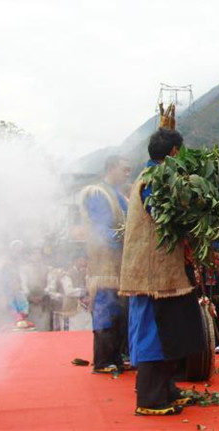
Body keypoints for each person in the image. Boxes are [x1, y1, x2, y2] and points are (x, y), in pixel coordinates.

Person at [119, 127, 205, 416]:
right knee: (153, 332)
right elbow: (162, 216)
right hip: (152, 274)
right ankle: (150, 398)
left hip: (164, 271)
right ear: (174, 152)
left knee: (170, 331)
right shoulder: (154, 180)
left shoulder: (156, 176)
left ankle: (167, 389)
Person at [80, 155, 131, 373]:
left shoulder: (120, 196)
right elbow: (100, 229)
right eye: (124, 169)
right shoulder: (98, 193)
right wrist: (126, 238)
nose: (127, 174)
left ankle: (117, 357)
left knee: (120, 311)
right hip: (104, 265)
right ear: (111, 168)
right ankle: (102, 360)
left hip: (120, 264)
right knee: (105, 310)